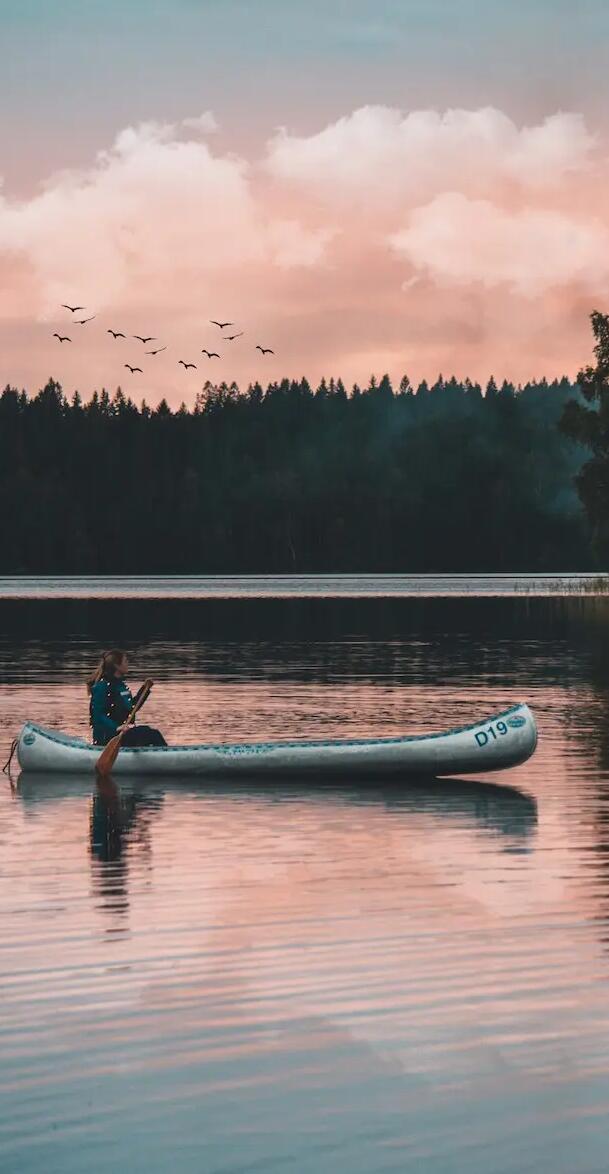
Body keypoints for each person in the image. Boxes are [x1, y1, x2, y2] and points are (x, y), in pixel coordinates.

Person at [87, 649, 167, 748]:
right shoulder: (102, 687)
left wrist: (145, 690)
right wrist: (116, 727)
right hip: (108, 737)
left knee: (151, 733)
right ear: (117, 665)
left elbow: (132, 708)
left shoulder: (121, 686)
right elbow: (98, 715)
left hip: (124, 733)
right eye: (125, 661)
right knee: (149, 734)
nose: (127, 664)